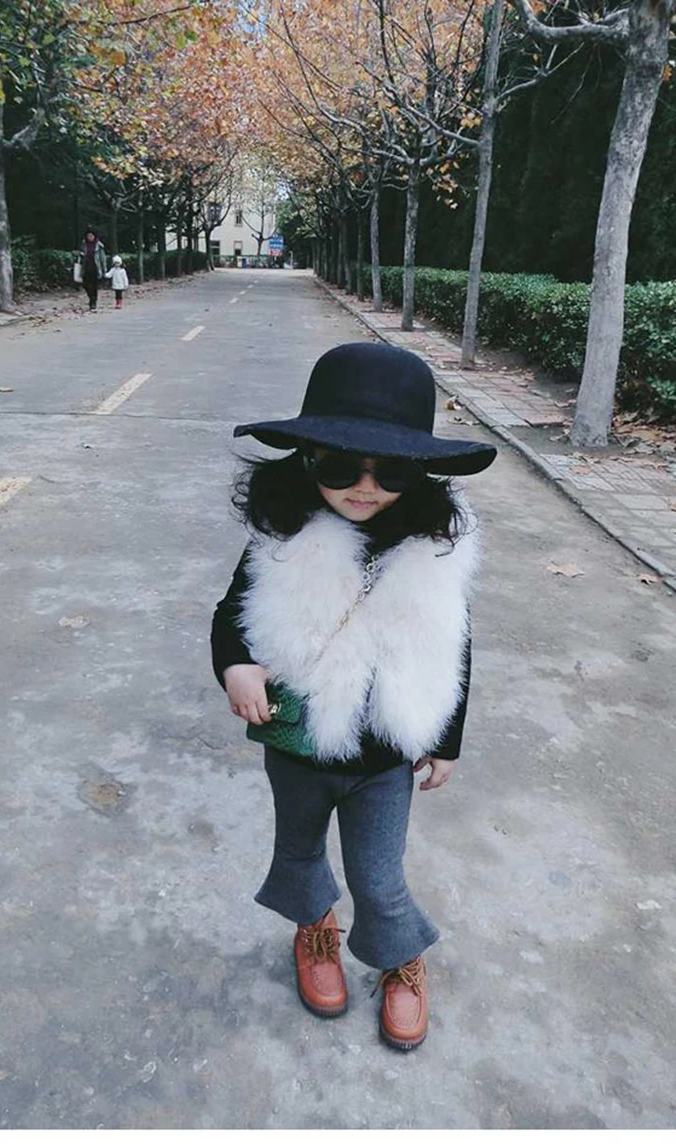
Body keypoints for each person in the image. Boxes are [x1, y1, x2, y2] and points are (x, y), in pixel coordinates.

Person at [211, 342, 497, 1052]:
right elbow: (230, 616)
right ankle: (314, 931)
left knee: (379, 877)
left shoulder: (433, 554)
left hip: (384, 757)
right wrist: (236, 667)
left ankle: (401, 959)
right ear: (307, 459)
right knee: (299, 850)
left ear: (419, 475)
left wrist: (447, 741)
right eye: (341, 467)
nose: (364, 488)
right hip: (297, 743)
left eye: (391, 471)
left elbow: (453, 648)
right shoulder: (282, 537)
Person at [79, 228, 107, 311]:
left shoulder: (99, 246)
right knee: (85, 284)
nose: (90, 237)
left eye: (91, 236)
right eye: (88, 236)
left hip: (95, 267)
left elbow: (103, 259)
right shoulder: (84, 245)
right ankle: (91, 297)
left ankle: (93, 302)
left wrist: (104, 270)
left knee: (94, 285)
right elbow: (80, 255)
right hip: (86, 267)